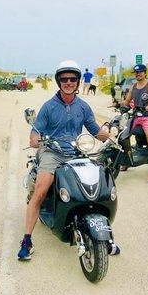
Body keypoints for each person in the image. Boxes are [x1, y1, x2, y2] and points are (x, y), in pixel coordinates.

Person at [17, 60, 116, 260]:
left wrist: (112, 135)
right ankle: (27, 240)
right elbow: (36, 130)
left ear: (78, 82)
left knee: (96, 186)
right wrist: (35, 139)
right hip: (51, 152)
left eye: (72, 79)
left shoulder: (83, 107)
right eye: (64, 79)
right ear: (59, 81)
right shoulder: (49, 106)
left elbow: (96, 131)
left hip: (76, 152)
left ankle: (105, 236)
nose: (68, 82)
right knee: (41, 190)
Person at [116, 64, 148, 182]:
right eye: (136, 72)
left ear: (145, 73)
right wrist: (117, 104)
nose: (138, 74)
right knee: (122, 136)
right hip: (136, 117)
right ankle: (126, 161)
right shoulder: (133, 87)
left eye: (140, 72)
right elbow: (126, 101)